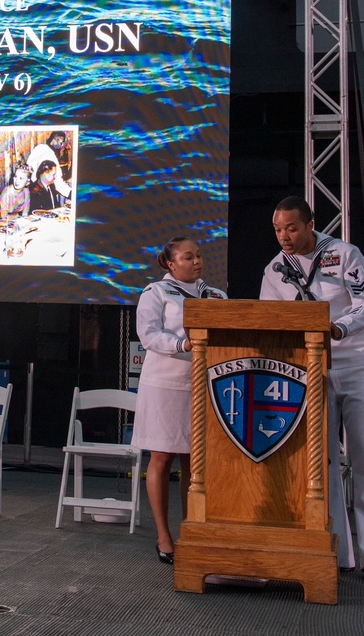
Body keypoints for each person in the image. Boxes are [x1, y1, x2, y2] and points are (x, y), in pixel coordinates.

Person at [259, 195, 364, 589]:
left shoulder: (343, 253)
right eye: (278, 229)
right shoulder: (275, 269)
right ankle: (336, 551)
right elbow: (272, 319)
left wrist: (338, 329)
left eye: (292, 228)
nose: (284, 237)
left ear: (309, 224)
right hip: (310, 370)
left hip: (354, 363)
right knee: (322, 464)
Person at [133, 237, 226, 564]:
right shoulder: (156, 292)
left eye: (199, 256)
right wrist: (183, 344)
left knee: (194, 461)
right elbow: (148, 335)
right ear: (171, 264)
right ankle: (164, 536)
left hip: (204, 385)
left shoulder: (216, 295)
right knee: (162, 457)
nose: (197, 261)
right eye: (189, 257)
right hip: (164, 385)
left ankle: (192, 532)